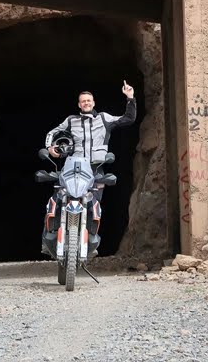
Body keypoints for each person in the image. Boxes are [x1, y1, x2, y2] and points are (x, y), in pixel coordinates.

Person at [40, 81, 136, 255]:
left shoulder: (104, 118)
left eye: (89, 101)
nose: (86, 103)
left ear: (93, 102)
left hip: (96, 169)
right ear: (79, 104)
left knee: (94, 204)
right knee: (57, 199)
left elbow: (128, 119)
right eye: (83, 101)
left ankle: (91, 242)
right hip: (74, 168)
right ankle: (48, 239)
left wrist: (130, 98)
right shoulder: (71, 120)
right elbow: (52, 132)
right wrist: (50, 148)